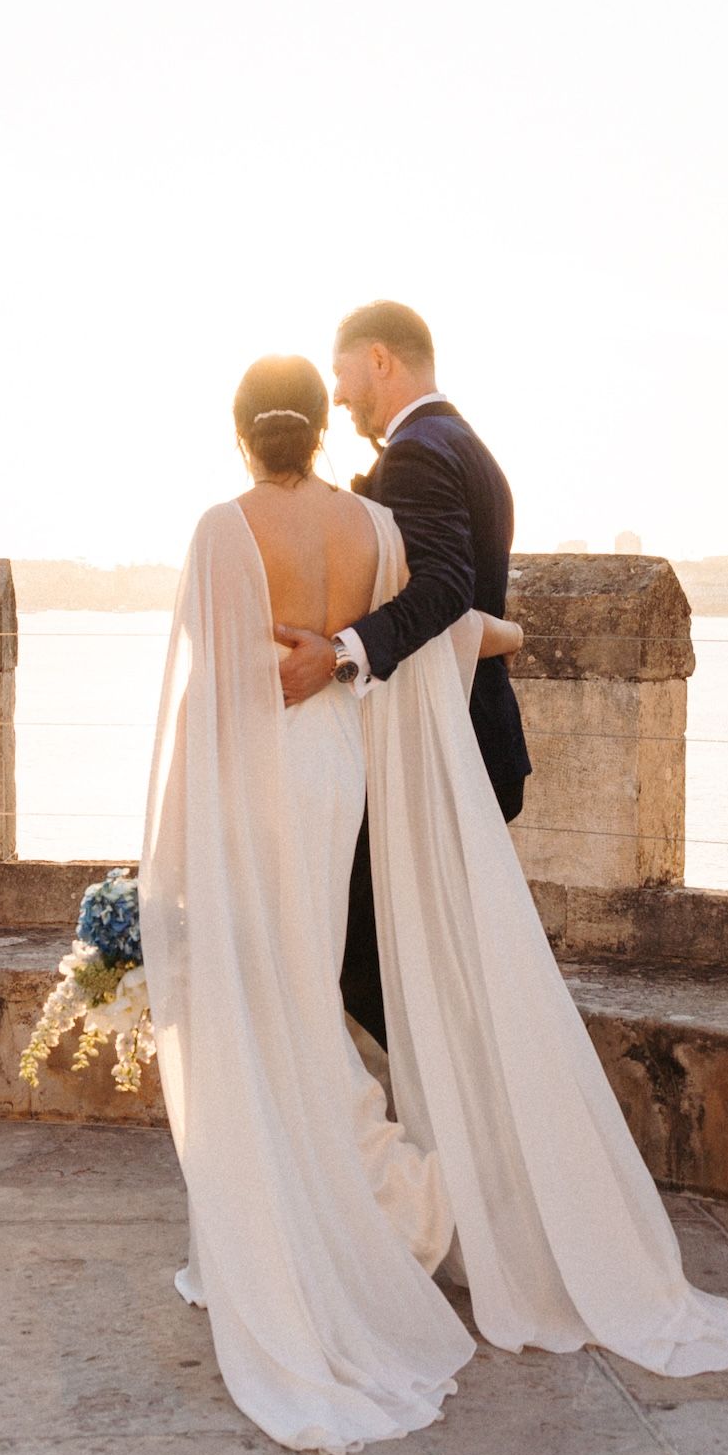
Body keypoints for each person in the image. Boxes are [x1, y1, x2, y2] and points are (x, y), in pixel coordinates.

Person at [137, 342, 728, 1455]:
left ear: (240, 433)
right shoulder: (370, 529)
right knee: (304, 987)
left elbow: (204, 689)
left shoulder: (217, 527)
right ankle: (373, 1210)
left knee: (271, 998)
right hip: (335, 768)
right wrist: (500, 633)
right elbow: (439, 627)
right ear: (311, 423)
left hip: (256, 780)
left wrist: (170, 850)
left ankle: (361, 1218)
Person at [271, 301, 529, 1049]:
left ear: (380, 359)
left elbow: (447, 586)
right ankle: (460, 1118)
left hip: (441, 752)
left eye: (344, 374)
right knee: (426, 959)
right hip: (473, 739)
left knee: (358, 954)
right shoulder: (461, 442)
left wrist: (340, 652)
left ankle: (457, 1119)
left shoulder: (417, 451)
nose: (340, 396)